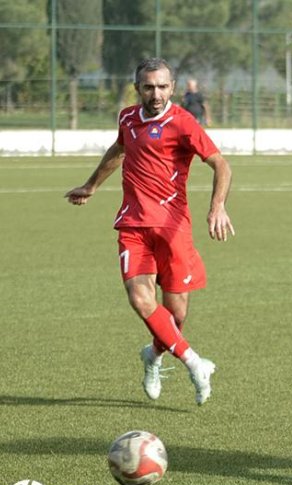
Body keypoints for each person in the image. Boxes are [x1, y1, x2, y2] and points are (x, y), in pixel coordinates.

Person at [65, 58, 234, 405]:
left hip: (173, 229)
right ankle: (193, 363)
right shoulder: (128, 117)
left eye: (161, 87)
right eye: (148, 87)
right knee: (141, 300)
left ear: (172, 87)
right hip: (133, 226)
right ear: (137, 88)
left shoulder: (184, 123)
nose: (155, 94)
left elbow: (221, 164)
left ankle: (153, 357)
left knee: (176, 316)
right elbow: (119, 149)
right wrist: (92, 185)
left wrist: (217, 205)